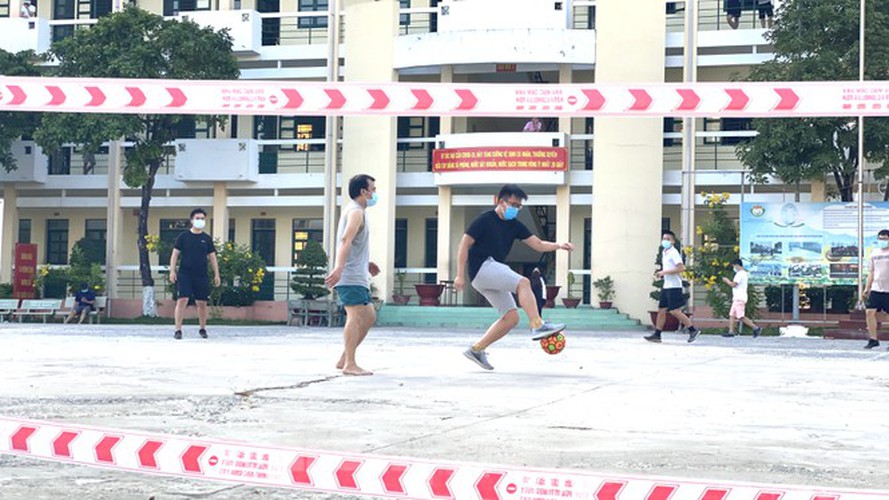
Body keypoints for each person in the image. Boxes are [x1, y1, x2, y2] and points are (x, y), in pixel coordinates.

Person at [456, 184, 574, 371]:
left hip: (489, 274)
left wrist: (559, 245)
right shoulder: (484, 220)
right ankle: (537, 324)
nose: (515, 209)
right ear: (498, 201)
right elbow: (464, 244)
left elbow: (538, 244)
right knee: (523, 282)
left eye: (518, 206)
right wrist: (459, 275)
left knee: (511, 318)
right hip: (482, 267)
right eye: (512, 204)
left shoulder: (515, 225)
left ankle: (476, 350)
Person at [324, 174, 381, 376]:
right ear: (363, 192)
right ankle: (350, 363)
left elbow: (354, 244)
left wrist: (366, 263)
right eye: (373, 189)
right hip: (350, 276)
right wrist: (339, 268)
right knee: (355, 316)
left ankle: (344, 358)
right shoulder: (356, 212)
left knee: (369, 316)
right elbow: (345, 240)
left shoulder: (356, 212)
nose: (375, 193)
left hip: (358, 274)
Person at [170, 208, 220, 340]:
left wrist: (217, 274)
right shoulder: (183, 237)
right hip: (185, 273)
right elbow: (175, 254)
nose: (200, 221)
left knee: (202, 303)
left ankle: (202, 328)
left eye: (202, 219)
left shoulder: (206, 239)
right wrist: (172, 271)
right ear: (192, 220)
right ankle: (178, 330)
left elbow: (213, 257)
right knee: (182, 300)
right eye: (197, 218)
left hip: (201, 274)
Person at [645, 230, 700, 343]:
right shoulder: (665, 252)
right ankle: (657, 334)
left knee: (674, 311)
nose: (665, 241)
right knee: (661, 310)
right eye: (664, 239)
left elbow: (681, 268)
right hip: (667, 285)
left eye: (668, 239)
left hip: (674, 286)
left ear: (673, 241)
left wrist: (664, 272)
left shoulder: (674, 253)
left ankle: (692, 330)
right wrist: (661, 273)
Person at [721, 258, 763, 338]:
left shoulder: (740, 274)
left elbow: (733, 284)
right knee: (732, 315)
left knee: (741, 316)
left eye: (734, 266)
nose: (734, 268)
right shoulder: (743, 274)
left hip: (739, 298)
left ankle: (756, 328)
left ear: (737, 265)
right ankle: (731, 331)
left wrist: (727, 281)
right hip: (737, 297)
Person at [862, 229, 889, 350]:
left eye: (885, 239)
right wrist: (867, 288)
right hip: (876, 288)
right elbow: (871, 272)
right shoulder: (874, 253)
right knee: (869, 312)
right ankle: (873, 339)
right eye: (880, 239)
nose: (882, 241)